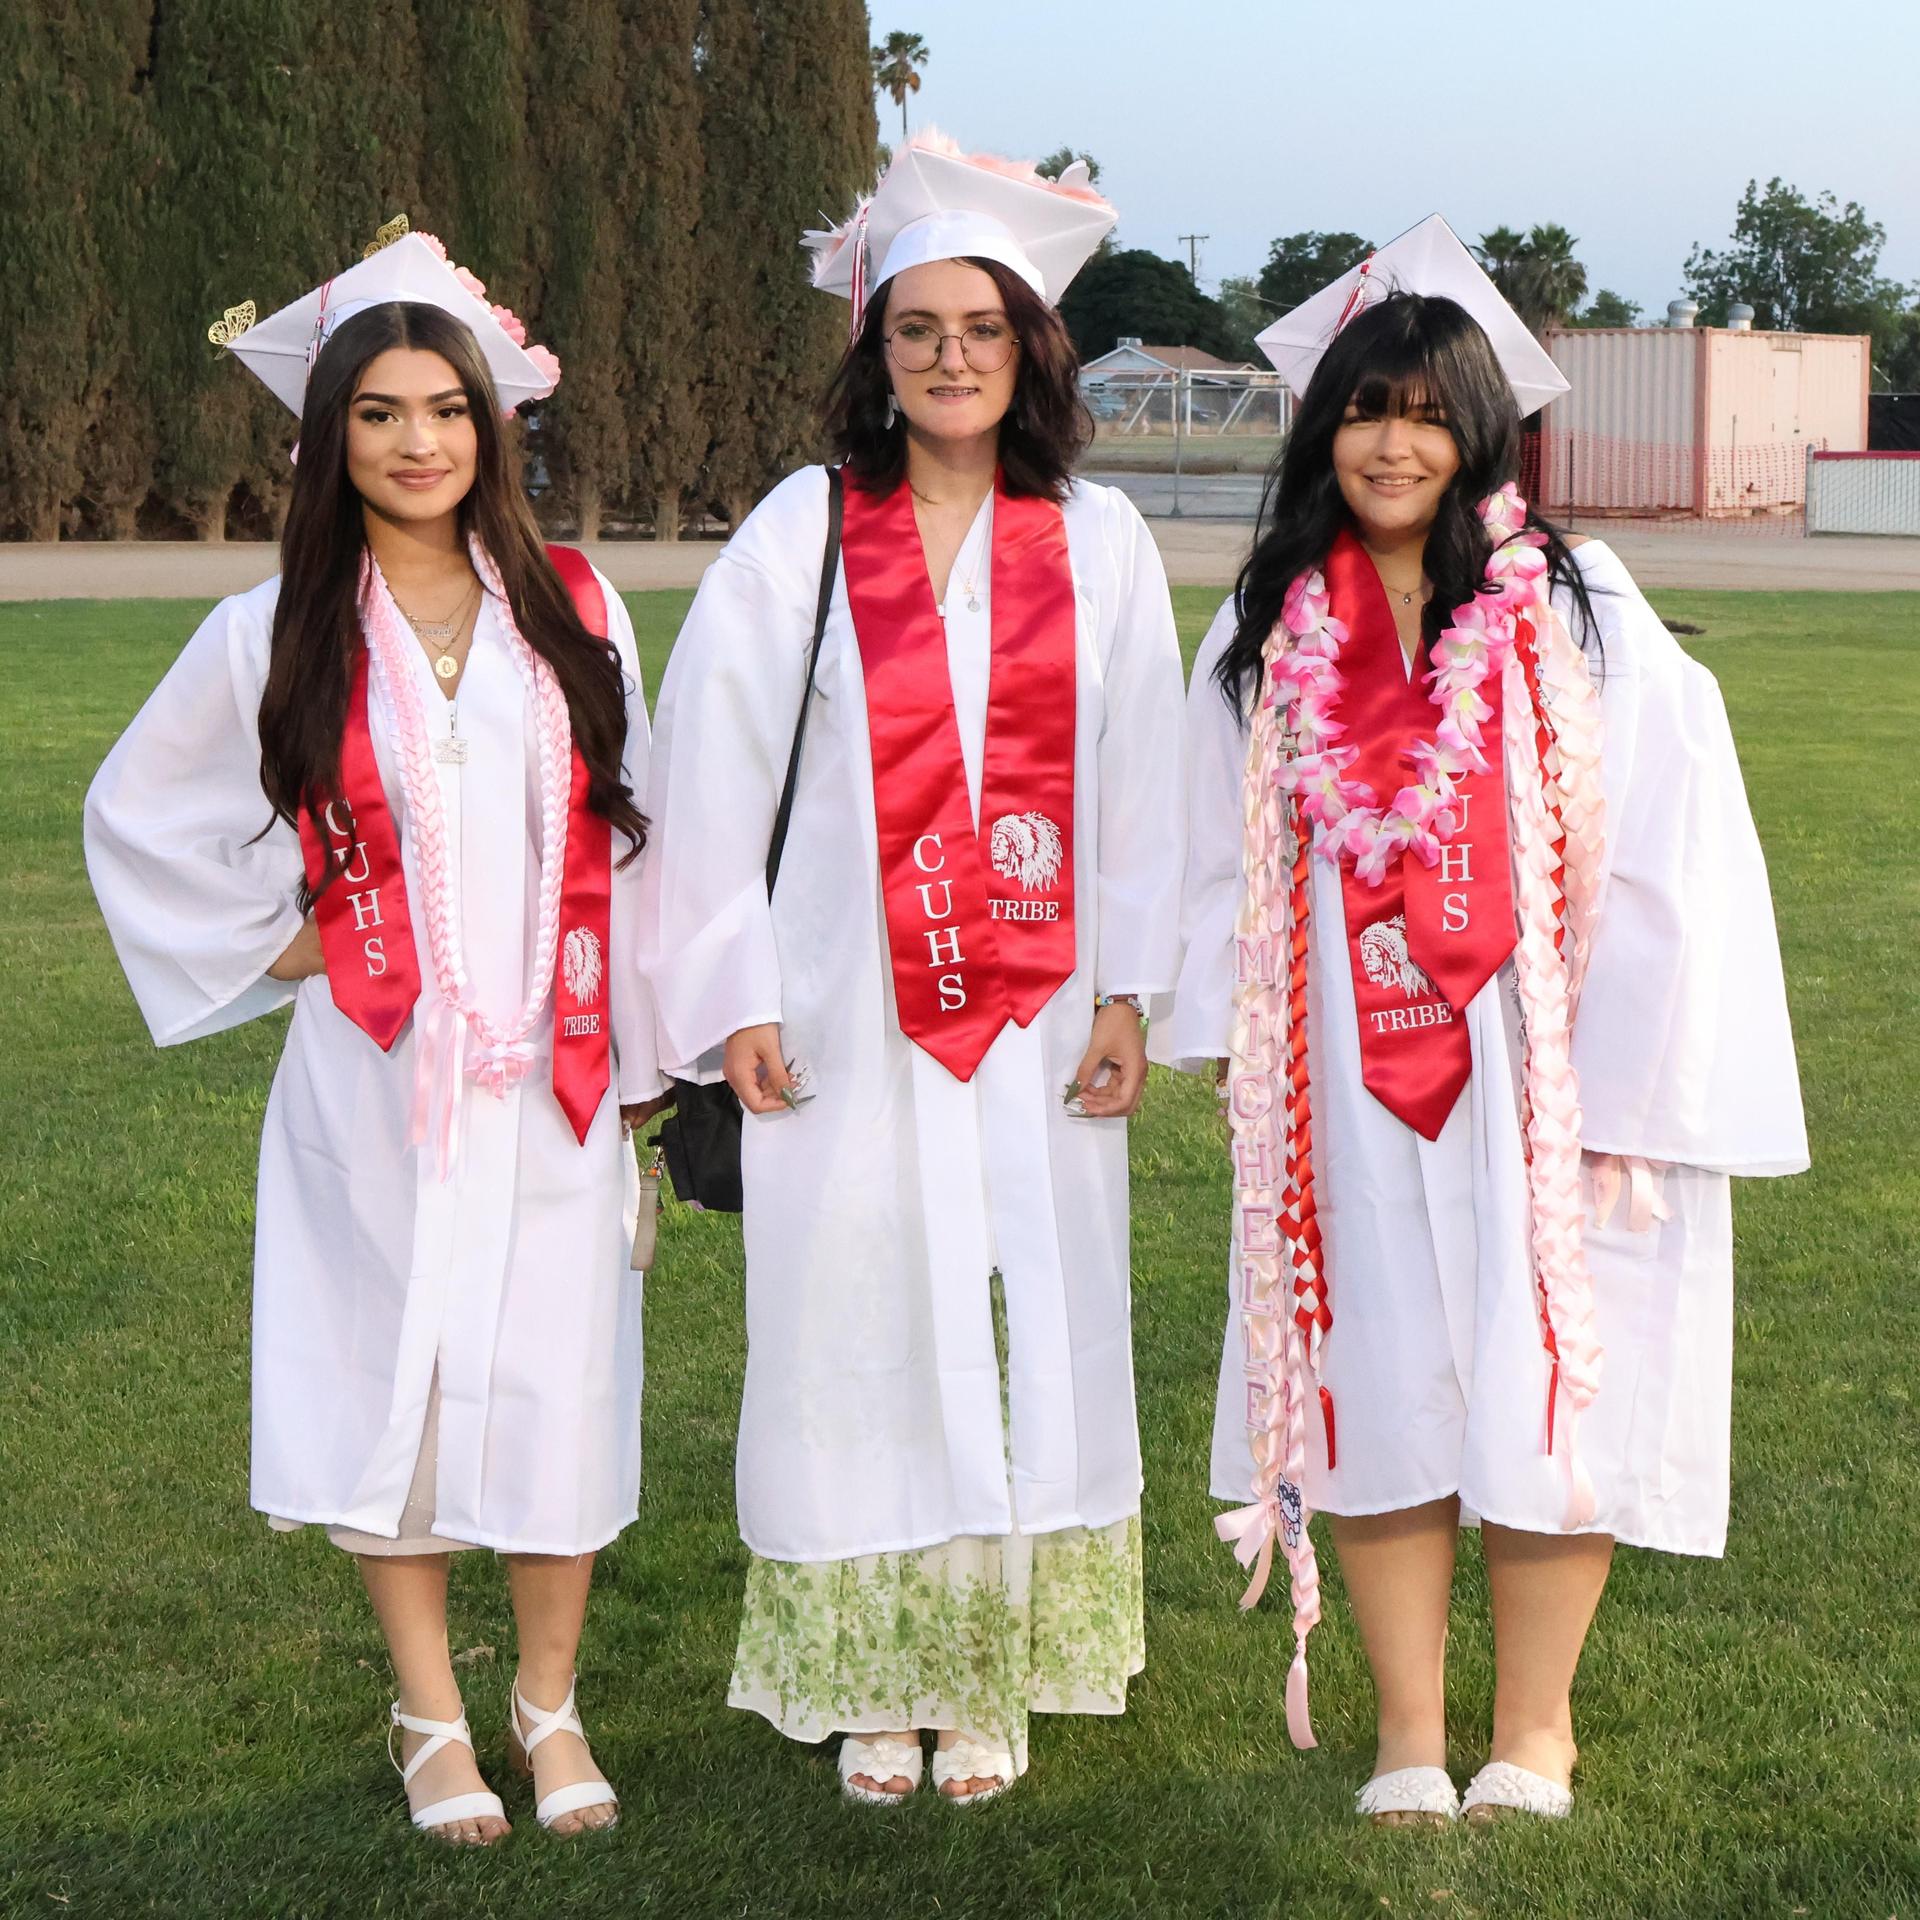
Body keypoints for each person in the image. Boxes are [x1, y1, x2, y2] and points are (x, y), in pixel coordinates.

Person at [1153, 216, 1807, 1826]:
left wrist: (1633, 1091)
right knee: (1366, 1376)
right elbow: (1202, 853)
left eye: (1430, 410)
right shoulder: (1267, 631)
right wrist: (1223, 1046)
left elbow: (1672, 851)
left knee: (1544, 1386)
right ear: (1325, 429)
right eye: (1367, 409)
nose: (1394, 441)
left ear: (1484, 429)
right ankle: (1402, 1735)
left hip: (1538, 1078)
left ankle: (1537, 1730)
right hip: (1341, 1085)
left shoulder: (1576, 608)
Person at [85, 223, 668, 1844]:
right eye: (382, 414)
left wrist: (655, 1049)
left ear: (493, 427)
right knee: (383, 1385)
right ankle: (431, 1717)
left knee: (562, 1385)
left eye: (450, 409)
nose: (422, 442)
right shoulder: (276, 627)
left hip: (558, 1074)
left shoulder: (578, 608)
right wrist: (291, 943)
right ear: (329, 437)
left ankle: (547, 1707)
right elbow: (136, 818)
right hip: (377, 1076)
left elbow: (649, 833)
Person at [639, 134, 1186, 1805]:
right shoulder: (806, 529)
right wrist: (728, 989)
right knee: (849, 1312)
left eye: (983, 327)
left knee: (1032, 1310)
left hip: (1030, 1006)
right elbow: (708, 769)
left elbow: (1143, 775)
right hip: (839, 1011)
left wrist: (1126, 991)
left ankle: (994, 1666)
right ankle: (880, 1673)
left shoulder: (1095, 543)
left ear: (1032, 350)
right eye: (917, 328)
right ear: (873, 354)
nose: (951, 356)